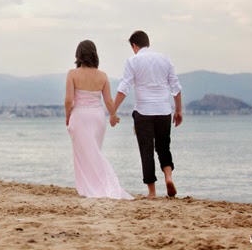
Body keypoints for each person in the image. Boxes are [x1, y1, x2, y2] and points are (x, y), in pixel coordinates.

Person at [112, 30, 183, 198]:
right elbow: (176, 88)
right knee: (163, 146)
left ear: (134, 46)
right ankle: (168, 177)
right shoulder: (165, 59)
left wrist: (112, 111)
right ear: (147, 43)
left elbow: (124, 88)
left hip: (143, 111)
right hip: (164, 110)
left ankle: (152, 192)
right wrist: (178, 110)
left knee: (146, 150)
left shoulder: (133, 61)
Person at [65, 40, 133, 200]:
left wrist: (68, 115)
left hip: (80, 115)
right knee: (94, 151)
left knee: (86, 154)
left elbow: (68, 100)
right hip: (97, 117)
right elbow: (109, 101)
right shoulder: (102, 76)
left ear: (79, 55)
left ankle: (91, 188)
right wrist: (113, 116)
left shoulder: (72, 74)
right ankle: (96, 187)